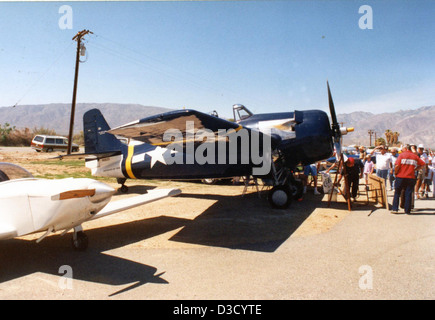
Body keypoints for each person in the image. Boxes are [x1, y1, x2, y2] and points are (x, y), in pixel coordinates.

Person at [391, 144, 425, 214]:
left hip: (400, 176)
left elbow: (397, 165)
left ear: (405, 148)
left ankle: (395, 208)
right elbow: (423, 165)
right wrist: (415, 169)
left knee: (397, 192)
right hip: (410, 177)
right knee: (408, 193)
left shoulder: (402, 155)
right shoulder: (414, 156)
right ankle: (407, 210)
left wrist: (396, 173)